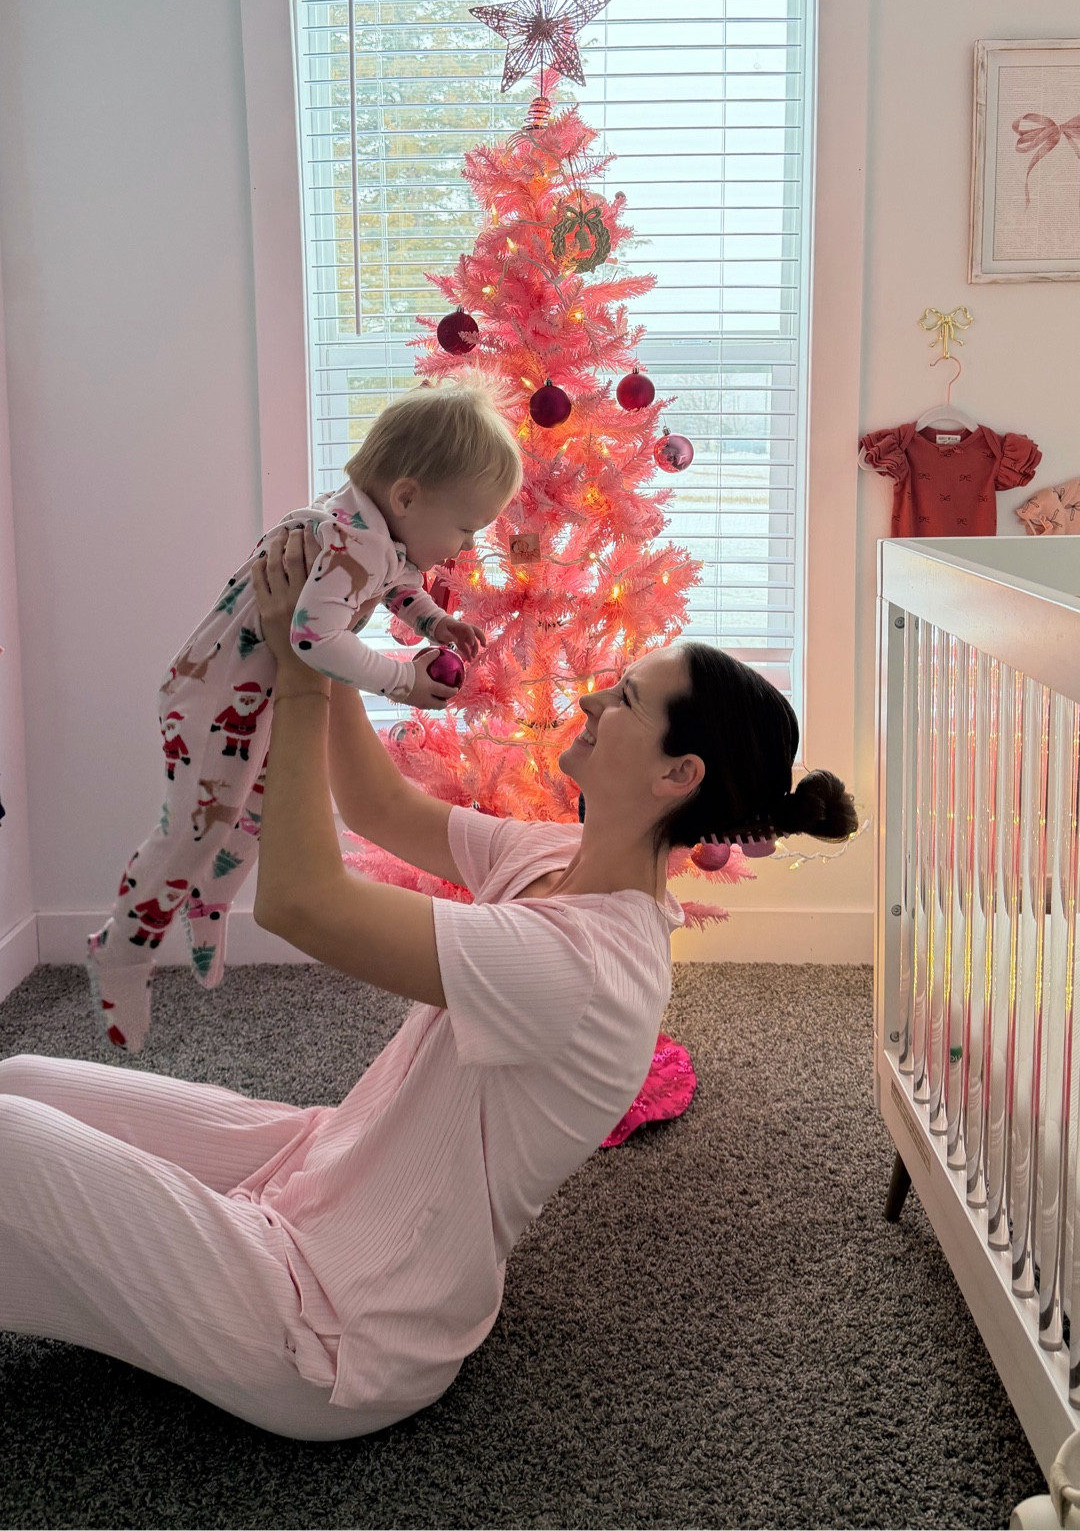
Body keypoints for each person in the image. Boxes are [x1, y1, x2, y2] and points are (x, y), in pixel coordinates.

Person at [0, 527, 856, 1442]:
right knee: (22, 1081)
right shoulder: (556, 857)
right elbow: (381, 807)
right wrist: (324, 638)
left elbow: (299, 903)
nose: (589, 698)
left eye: (625, 700)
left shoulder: (581, 965)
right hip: (325, 1166)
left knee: (7, 1140)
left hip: (330, 1323)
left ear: (677, 775)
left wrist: (298, 686)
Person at [86, 376, 522, 1054]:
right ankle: (119, 949)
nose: (466, 547)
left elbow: (397, 582)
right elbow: (314, 639)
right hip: (212, 702)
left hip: (256, 702)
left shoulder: (373, 531)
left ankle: (208, 904)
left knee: (260, 814)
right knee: (194, 830)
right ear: (407, 496)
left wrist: (435, 623)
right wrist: (402, 680)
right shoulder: (349, 540)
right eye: (466, 528)